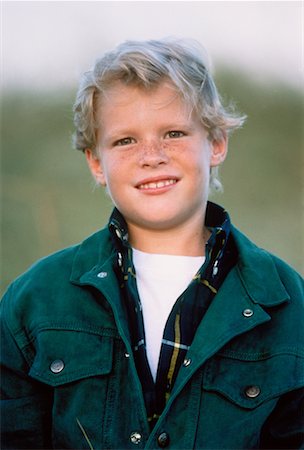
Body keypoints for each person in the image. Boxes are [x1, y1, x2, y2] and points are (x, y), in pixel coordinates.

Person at [1, 38, 303, 450]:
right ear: (95, 162)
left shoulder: (288, 304)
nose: (151, 156)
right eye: (125, 141)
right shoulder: (34, 302)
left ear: (216, 144)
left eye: (174, 133)